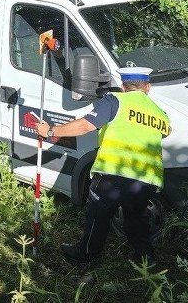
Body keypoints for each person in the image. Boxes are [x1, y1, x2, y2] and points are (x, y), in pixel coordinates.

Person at [36, 66, 171, 268]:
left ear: (124, 87)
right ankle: (146, 259)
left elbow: (86, 125)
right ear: (148, 87)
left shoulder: (115, 100)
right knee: (135, 219)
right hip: (147, 179)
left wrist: (50, 131)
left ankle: (85, 254)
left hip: (115, 173)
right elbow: (167, 131)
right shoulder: (160, 113)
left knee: (97, 213)